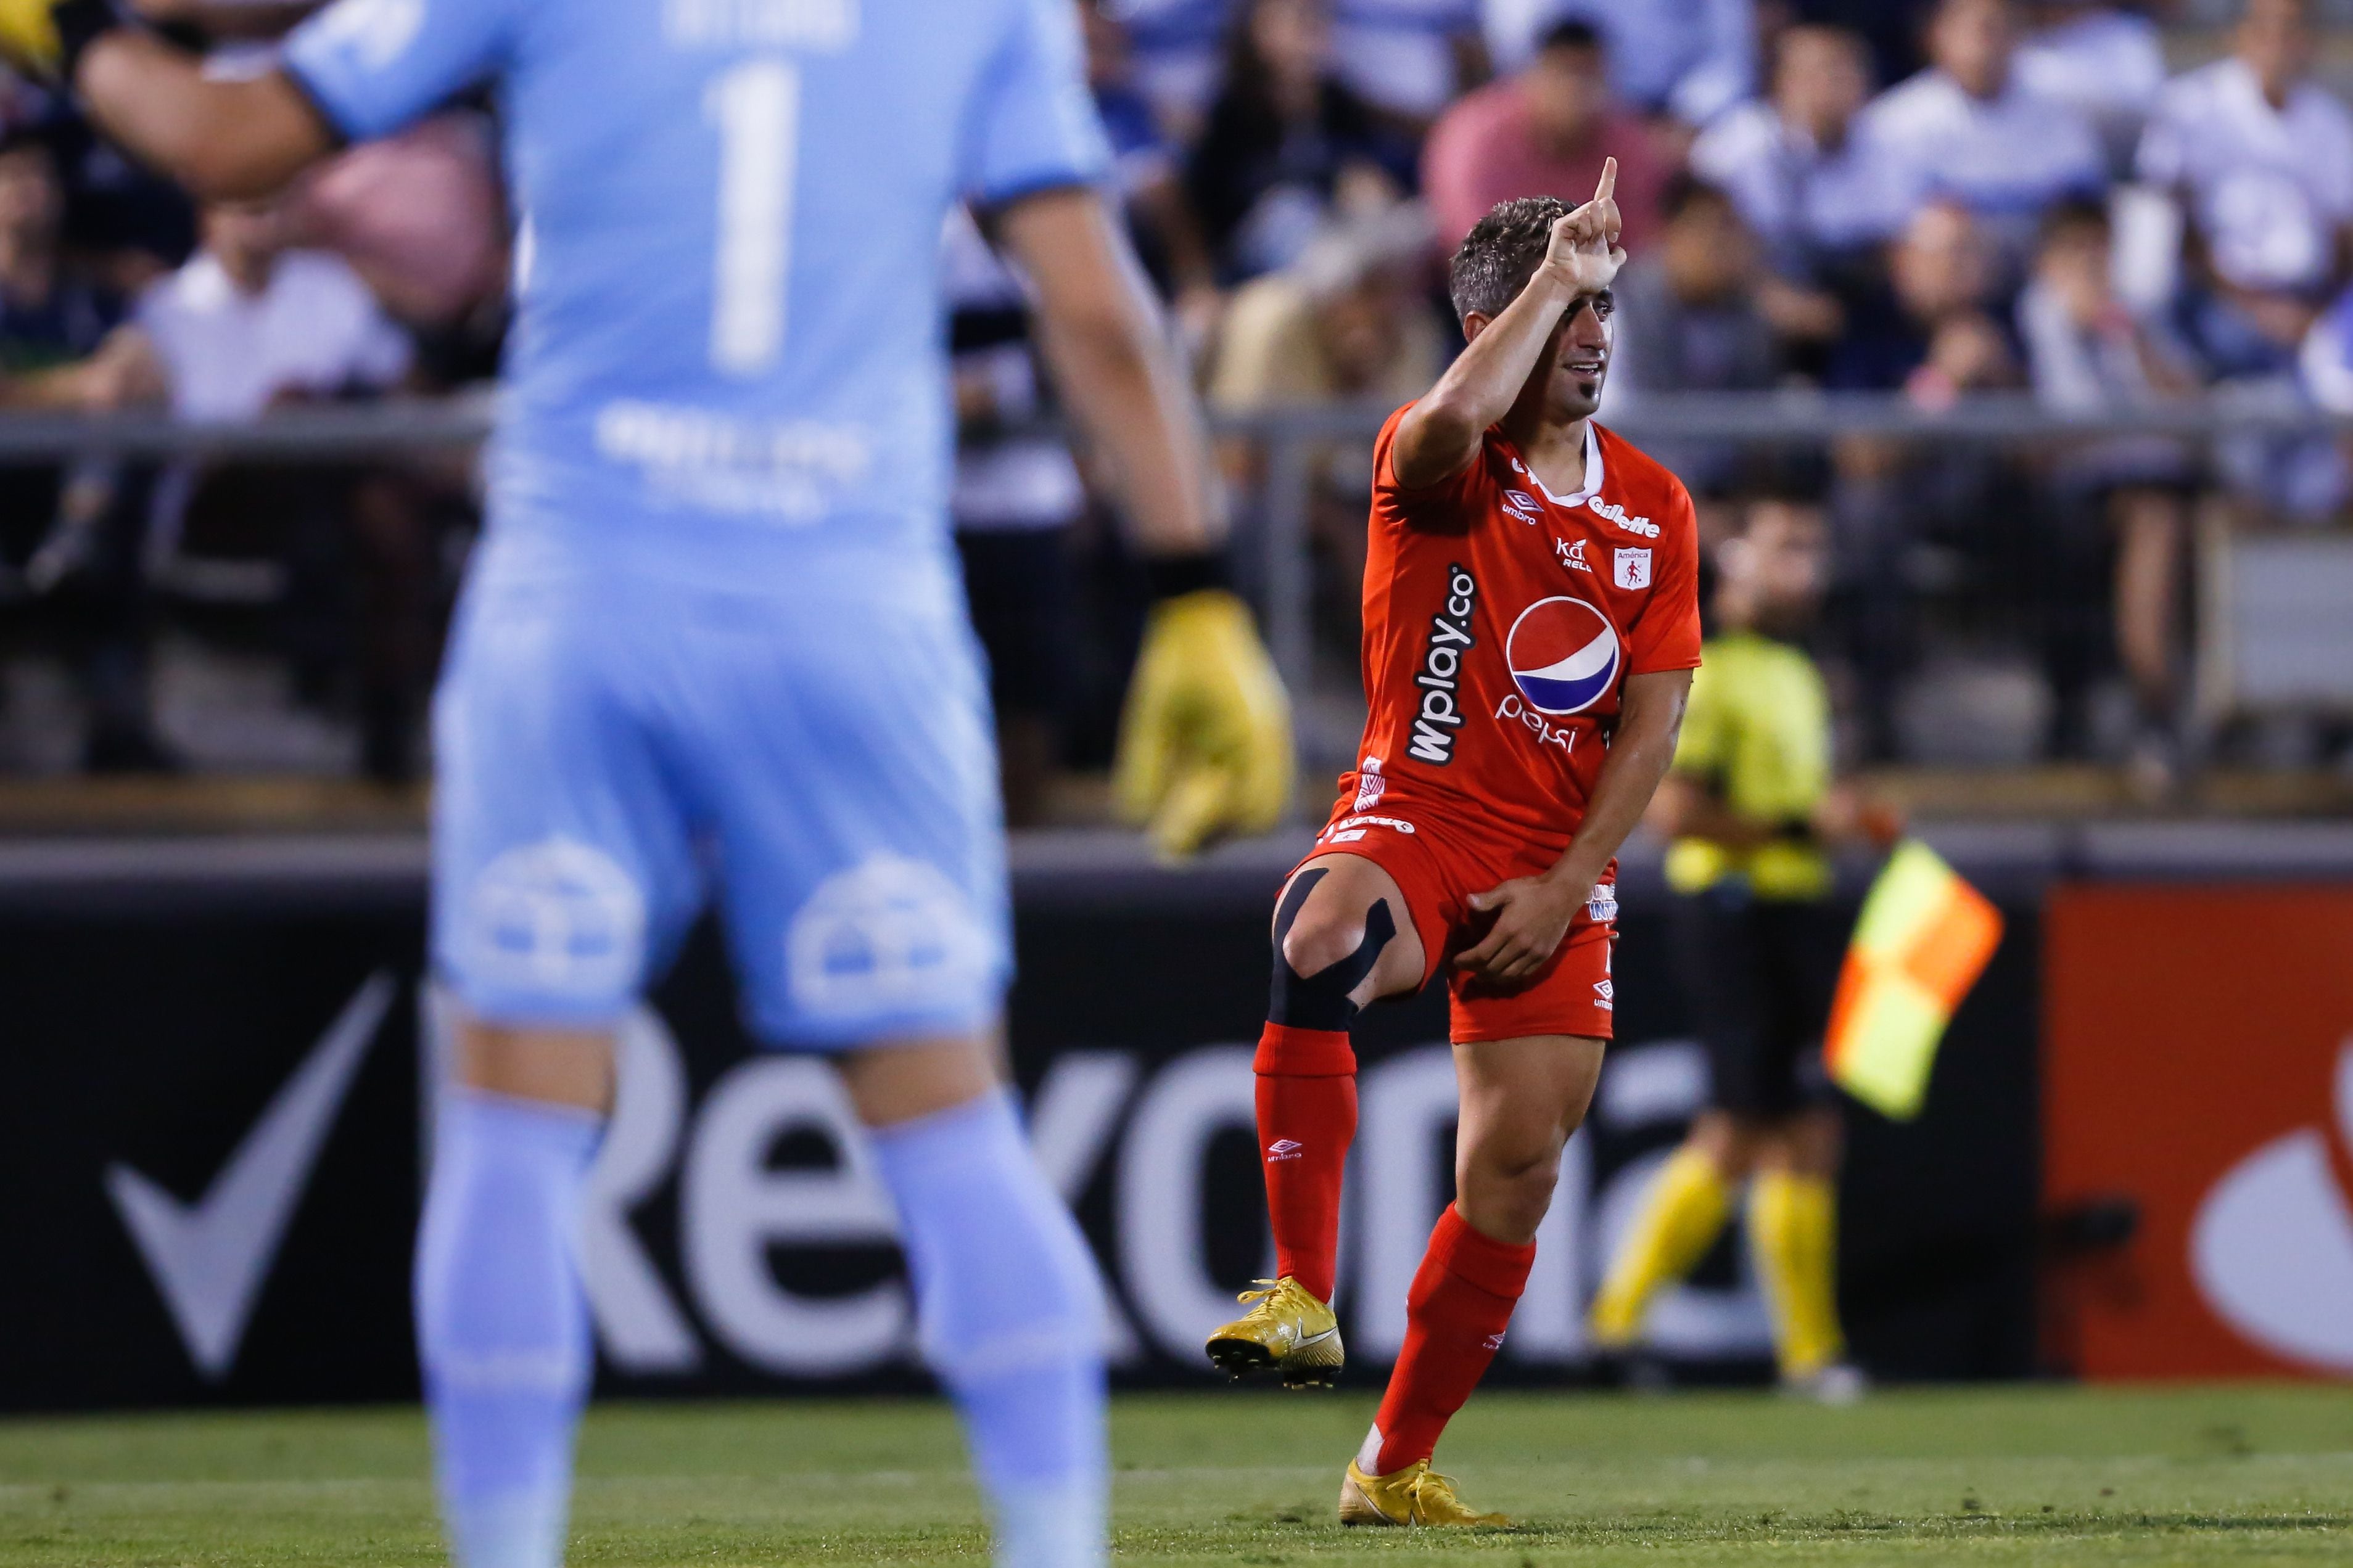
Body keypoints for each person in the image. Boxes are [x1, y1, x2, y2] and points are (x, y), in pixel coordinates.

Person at [4, 6, 1292, 1568]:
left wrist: (68, 34)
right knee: (955, 1134)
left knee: (508, 1134)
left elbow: (226, 140)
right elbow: (1094, 309)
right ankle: (1053, 1549)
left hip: (583, 597)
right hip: (849, 610)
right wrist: (1195, 589)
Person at [1204, 165, 1702, 1525]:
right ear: (1500, 325)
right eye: (1569, 313)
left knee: (1516, 1166)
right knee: (1315, 933)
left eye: (1604, 311)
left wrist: (1566, 879)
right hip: (1414, 809)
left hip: (1556, 856)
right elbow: (1437, 426)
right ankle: (1299, 1289)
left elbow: (1650, 727)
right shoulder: (1432, 462)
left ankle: (1390, 1461)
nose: (1596, 333)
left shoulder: (1652, 505)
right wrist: (1549, 274)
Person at [1586, 496, 1895, 1401]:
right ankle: (1801, 1353)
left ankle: (1620, 1328)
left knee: (1756, 1130)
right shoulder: (1705, 673)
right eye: (1786, 543)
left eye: (1814, 543)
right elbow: (1672, 812)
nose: (1806, 562)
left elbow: (1801, 802)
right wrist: (1807, 824)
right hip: (1732, 912)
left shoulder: (1798, 674)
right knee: (1778, 1127)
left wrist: (1852, 820)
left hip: (1786, 912)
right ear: (1735, 564)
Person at [2016, 196, 2201, 790]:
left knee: (2167, 518)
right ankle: (2155, 711)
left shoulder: (2135, 315)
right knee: (2153, 522)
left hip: (2153, 477)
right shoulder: (2032, 317)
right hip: (2061, 491)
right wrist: (2077, 327)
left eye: (2100, 250)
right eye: (2074, 251)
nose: (2091, 265)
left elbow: (2191, 406)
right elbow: (2066, 424)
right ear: (2044, 262)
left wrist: (2131, 339)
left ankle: (2162, 710)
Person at [1858, 0, 2104, 267]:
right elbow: (1891, 230)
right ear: (1937, 35)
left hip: (2042, 261)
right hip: (1952, 267)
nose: (1987, 43)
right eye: (1977, 29)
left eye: (2000, 27)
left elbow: (2085, 202)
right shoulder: (1896, 120)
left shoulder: (2060, 100)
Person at [1182, 0, 1410, 282]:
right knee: (1290, 211)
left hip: (1336, 220)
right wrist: (1332, 175)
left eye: (1317, 18)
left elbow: (1375, 151)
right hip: (1260, 242)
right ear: (1259, 32)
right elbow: (1228, 189)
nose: (1312, 29)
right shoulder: (1232, 105)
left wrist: (1365, 173)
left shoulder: (1334, 96)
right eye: (1299, 21)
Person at [1689, 25, 1907, 298]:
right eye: (1815, 75)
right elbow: (1699, 240)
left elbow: (1892, 241)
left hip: (1853, 287)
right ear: (1780, 82)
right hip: (1751, 291)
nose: (1830, 87)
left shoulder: (1885, 138)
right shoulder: (1738, 146)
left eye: (1843, 73)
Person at [1422, 20, 1670, 252]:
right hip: (1473, 280)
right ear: (1535, 75)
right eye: (1566, 74)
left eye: (1589, 76)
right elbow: (1471, 237)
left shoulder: (1627, 143)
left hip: (1588, 282)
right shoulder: (1477, 136)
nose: (1577, 91)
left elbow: (1636, 240)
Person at [1483, 0, 1756, 130]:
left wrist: (1685, 120)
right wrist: (1615, 114)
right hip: (1593, 109)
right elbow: (1527, 51)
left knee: (1745, 138)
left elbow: (1730, 59)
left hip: (1689, 123)